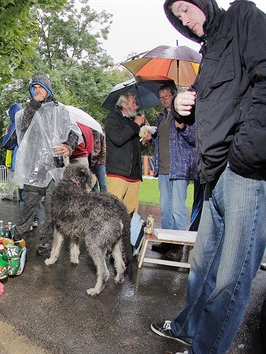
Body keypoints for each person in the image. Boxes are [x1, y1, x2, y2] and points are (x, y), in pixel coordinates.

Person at [150, 1, 266, 353]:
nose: (184, 19)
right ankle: (188, 327)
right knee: (202, 267)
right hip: (213, 176)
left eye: (186, 8)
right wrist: (184, 108)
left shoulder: (242, 17)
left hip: (245, 171)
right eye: (178, 16)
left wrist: (245, 154)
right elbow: (209, 110)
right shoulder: (210, 51)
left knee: (231, 277)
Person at [11, 75, 81, 256]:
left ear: (48, 88)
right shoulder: (28, 110)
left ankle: (47, 241)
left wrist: (69, 146)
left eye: (40, 87)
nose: (37, 91)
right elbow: (22, 126)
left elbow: (73, 131)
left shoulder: (61, 111)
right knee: (28, 206)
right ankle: (18, 237)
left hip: (54, 169)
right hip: (34, 168)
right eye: (33, 88)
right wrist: (34, 104)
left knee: (52, 207)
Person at [150, 84, 197, 261]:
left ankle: (177, 247)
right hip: (163, 169)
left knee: (177, 209)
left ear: (174, 95)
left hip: (179, 168)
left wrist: (184, 128)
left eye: (166, 96)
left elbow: (194, 138)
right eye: (160, 97)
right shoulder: (161, 117)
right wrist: (151, 136)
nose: (163, 99)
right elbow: (161, 140)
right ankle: (167, 242)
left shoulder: (185, 114)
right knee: (166, 209)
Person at [105, 93, 153, 215]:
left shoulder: (132, 122)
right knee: (113, 213)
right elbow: (118, 139)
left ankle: (129, 234)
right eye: (133, 103)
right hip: (118, 174)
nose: (136, 106)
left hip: (134, 176)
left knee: (131, 214)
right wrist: (136, 124)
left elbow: (133, 148)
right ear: (123, 104)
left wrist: (145, 142)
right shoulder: (112, 118)